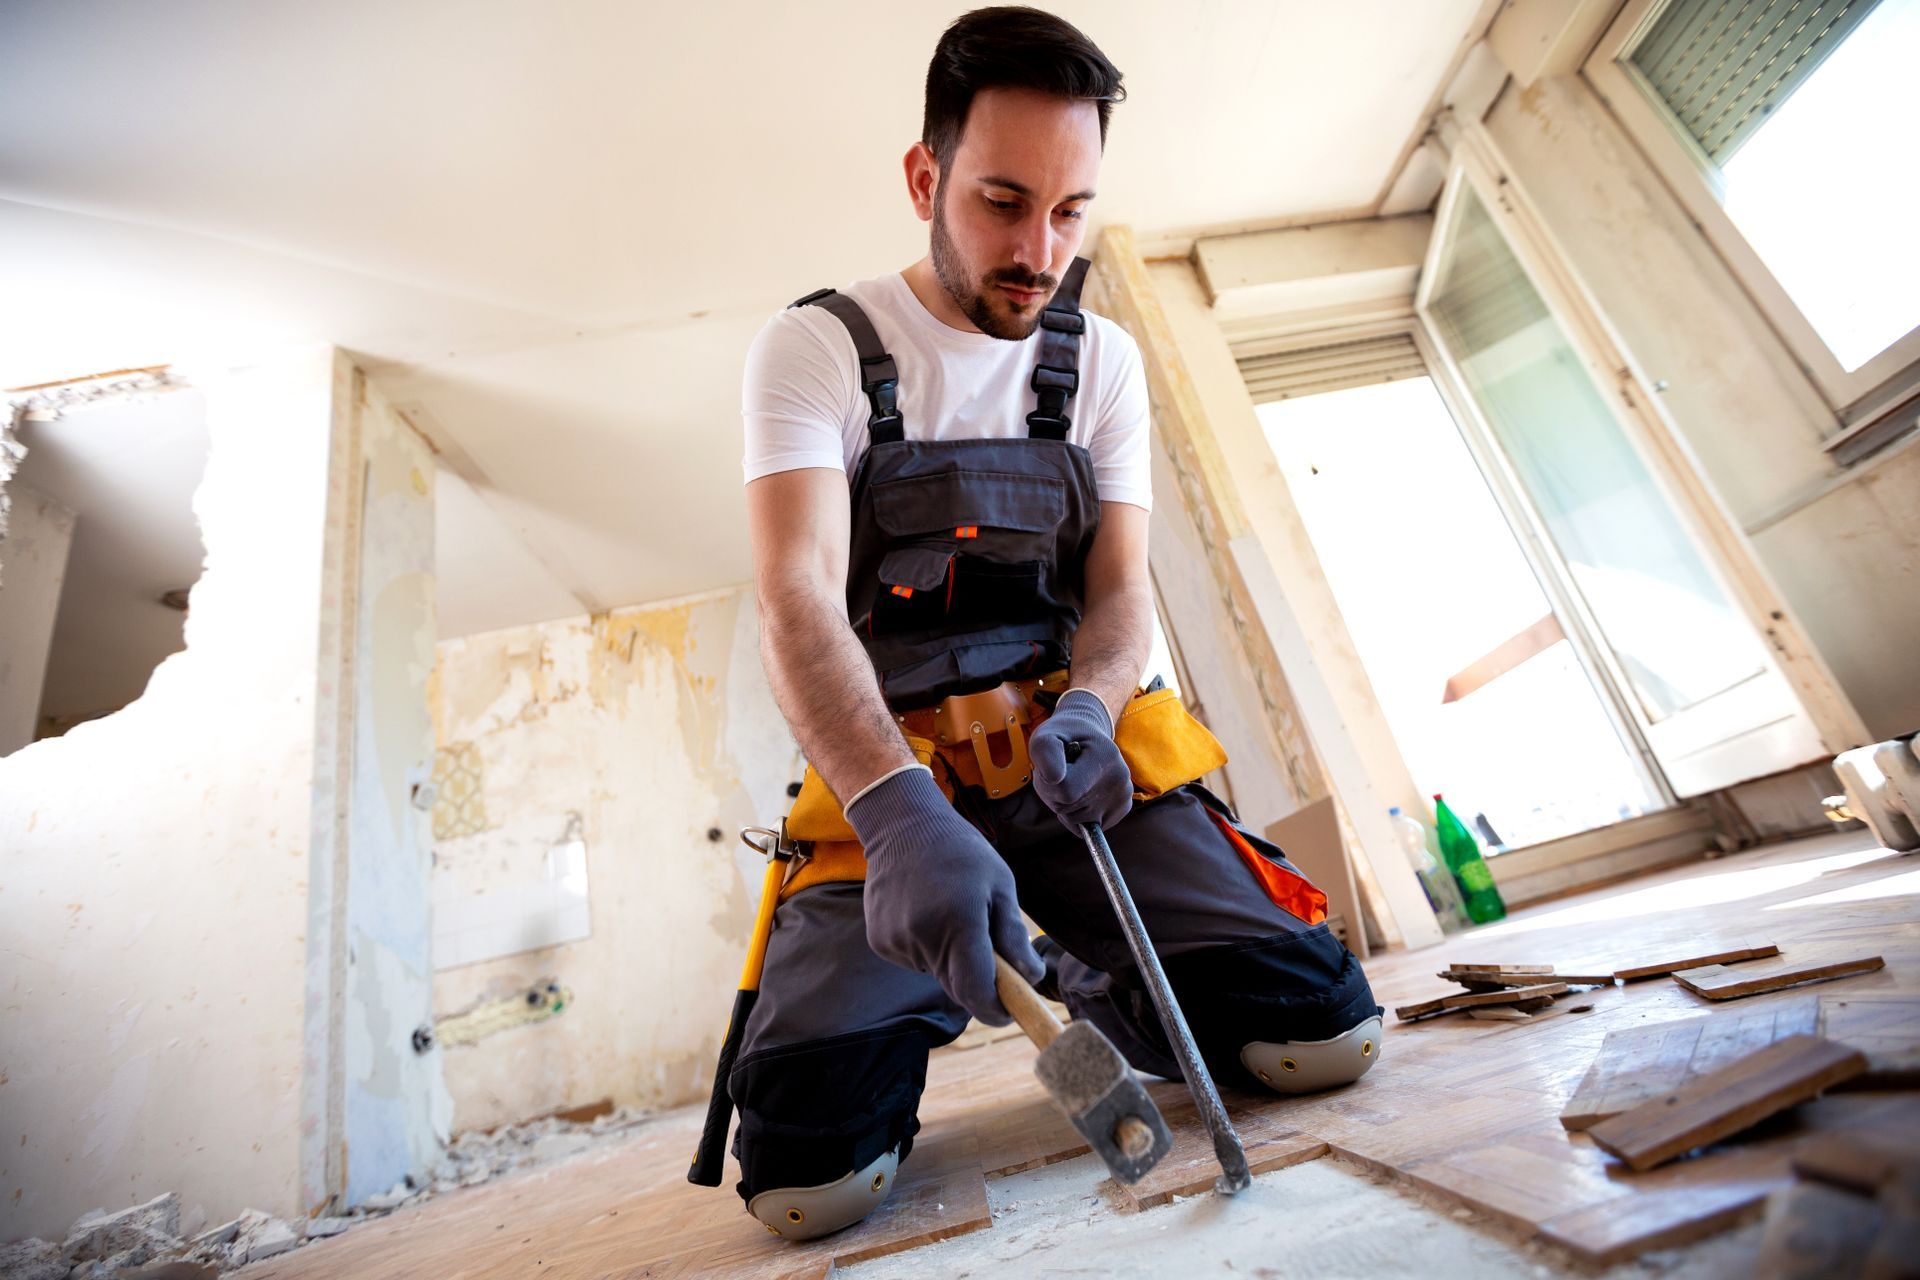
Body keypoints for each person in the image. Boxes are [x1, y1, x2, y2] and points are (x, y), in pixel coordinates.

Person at [725, 5, 1381, 1241]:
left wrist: (1091, 703)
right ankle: (931, 960)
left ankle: (1090, 960)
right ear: (927, 178)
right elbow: (798, 597)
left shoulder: (1103, 363)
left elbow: (1123, 585)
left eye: (1071, 211)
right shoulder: (816, 349)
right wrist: (893, 809)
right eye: (1003, 200)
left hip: (1071, 764)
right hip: (892, 783)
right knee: (811, 1185)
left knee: (1322, 1040)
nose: (1041, 248)